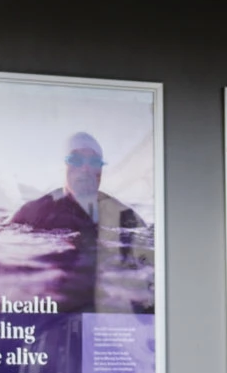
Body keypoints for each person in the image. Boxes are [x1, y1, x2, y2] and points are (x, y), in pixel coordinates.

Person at [10, 132, 152, 312]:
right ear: (63, 166)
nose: (86, 168)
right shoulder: (33, 212)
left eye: (94, 162)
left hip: (107, 297)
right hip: (54, 296)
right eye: (76, 160)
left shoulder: (126, 216)